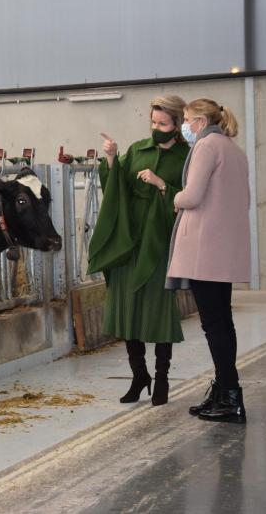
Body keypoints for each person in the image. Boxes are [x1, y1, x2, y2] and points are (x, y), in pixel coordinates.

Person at [88, 95, 190, 406]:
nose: (156, 128)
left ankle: (162, 379)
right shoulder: (137, 150)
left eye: (163, 123)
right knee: (128, 308)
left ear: (177, 124)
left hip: (159, 241)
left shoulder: (188, 157)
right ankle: (139, 375)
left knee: (158, 312)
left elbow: (190, 199)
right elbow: (115, 186)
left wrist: (162, 185)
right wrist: (111, 158)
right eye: (153, 122)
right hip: (130, 239)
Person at [166, 98, 251, 424]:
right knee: (222, 323)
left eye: (186, 120)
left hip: (205, 250)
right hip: (224, 248)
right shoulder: (233, 149)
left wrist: (174, 197)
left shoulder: (206, 147)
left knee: (213, 324)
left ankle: (229, 397)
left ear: (199, 121)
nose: (185, 126)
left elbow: (192, 195)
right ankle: (224, 390)